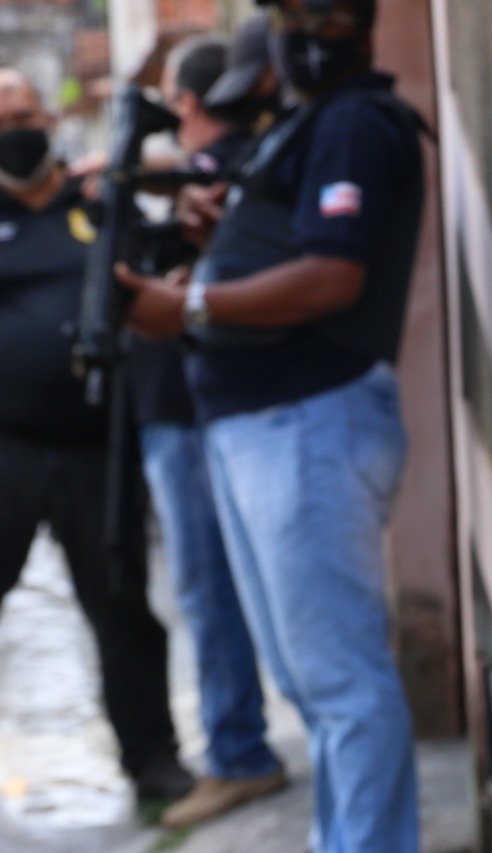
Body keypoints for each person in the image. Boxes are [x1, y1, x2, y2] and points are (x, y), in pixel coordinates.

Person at [117, 0, 425, 847]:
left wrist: (191, 303)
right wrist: (226, 232)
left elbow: (332, 277)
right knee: (311, 681)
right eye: (291, 13)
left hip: (307, 420)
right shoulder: (308, 123)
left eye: (325, 14)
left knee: (342, 682)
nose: (306, 33)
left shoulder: (356, 121)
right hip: (267, 424)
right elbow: (298, 243)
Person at [0, 68, 193, 805]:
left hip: (98, 444)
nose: (16, 133)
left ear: (49, 120)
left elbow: (160, 260)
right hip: (9, 446)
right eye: (1, 123)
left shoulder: (97, 203)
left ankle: (153, 759)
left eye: (25, 116)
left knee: (122, 607)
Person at [127, 29, 288, 830]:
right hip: (196, 405)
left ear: (189, 100)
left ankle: (238, 751)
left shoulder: (226, 168)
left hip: (192, 409)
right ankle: (238, 744)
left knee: (211, 587)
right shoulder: (220, 166)